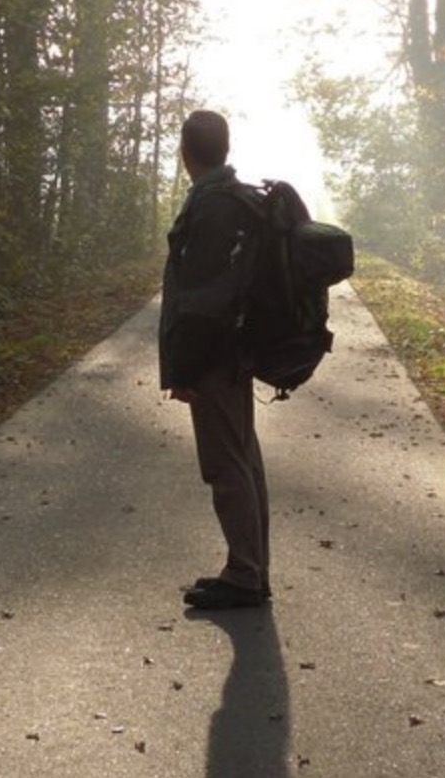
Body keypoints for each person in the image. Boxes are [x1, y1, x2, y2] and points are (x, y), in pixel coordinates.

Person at [159, 110, 271, 610]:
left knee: (226, 465)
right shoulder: (230, 200)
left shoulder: (213, 208)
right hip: (234, 351)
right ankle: (249, 568)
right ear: (223, 149)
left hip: (215, 357)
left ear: (186, 152)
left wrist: (184, 370)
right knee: (242, 457)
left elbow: (201, 301)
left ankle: (245, 575)